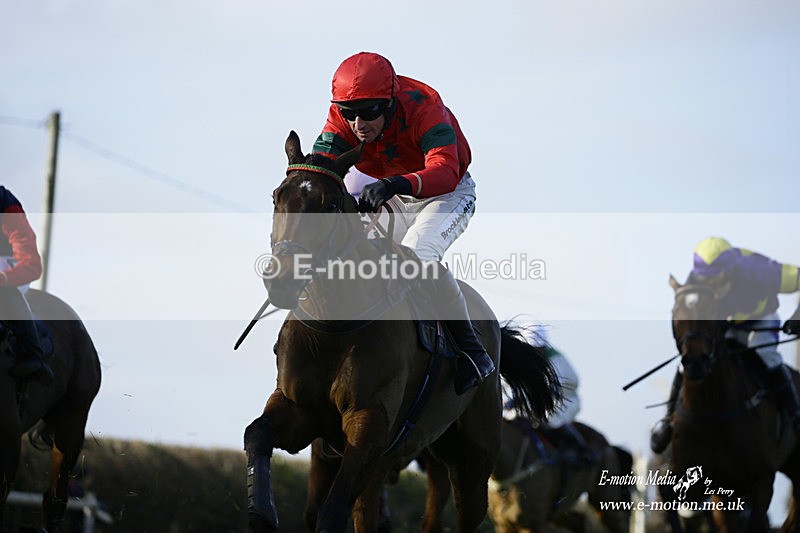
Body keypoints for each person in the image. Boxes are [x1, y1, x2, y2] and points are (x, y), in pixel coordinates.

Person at [312, 52, 493, 394]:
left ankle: (473, 351)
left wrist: (395, 184)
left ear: (391, 102)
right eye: (349, 114)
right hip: (390, 190)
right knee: (351, 254)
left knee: (413, 257)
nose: (358, 124)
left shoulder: (424, 105)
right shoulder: (342, 117)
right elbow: (321, 165)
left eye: (368, 113)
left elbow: (444, 170)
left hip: (445, 193)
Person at [650, 236, 800, 454]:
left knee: (768, 356)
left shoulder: (759, 269)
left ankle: (794, 414)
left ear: (729, 269)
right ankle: (668, 420)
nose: (706, 282)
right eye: (702, 277)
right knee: (688, 363)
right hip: (723, 322)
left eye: (712, 278)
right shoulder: (697, 277)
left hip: (759, 318)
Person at [507, 327, 596, 465]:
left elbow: (571, 382)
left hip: (565, 402)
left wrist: (531, 396)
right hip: (533, 404)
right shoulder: (523, 361)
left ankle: (582, 451)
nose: (534, 352)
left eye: (537, 348)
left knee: (549, 419)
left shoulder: (556, 359)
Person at [0, 185, 53, 384]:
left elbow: (31, 264)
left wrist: (4, 278)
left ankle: (33, 355)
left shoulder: (6, 204)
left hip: (10, 268)